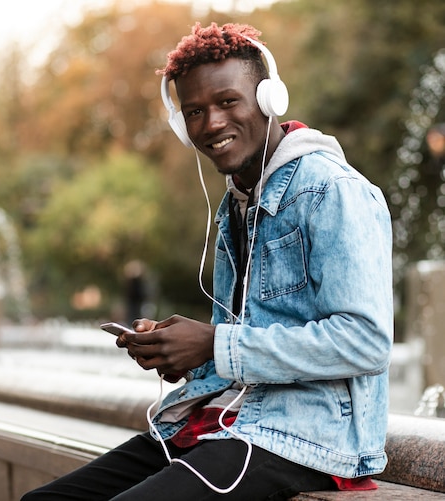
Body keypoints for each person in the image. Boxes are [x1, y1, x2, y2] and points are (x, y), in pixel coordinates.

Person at [21, 21, 393, 500]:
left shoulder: (332, 192)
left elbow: (366, 342)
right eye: (194, 111)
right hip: (222, 419)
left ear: (268, 100)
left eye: (227, 102)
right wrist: (184, 353)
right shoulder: (236, 201)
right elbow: (247, 341)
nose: (211, 123)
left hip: (303, 439)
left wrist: (215, 343)